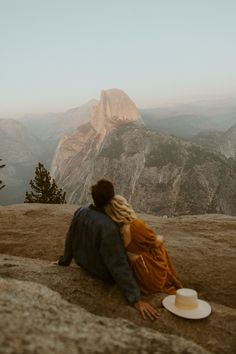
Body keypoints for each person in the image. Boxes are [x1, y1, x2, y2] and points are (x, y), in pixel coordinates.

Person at [57, 179, 159, 320]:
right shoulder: (108, 227)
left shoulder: (80, 211)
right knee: (139, 255)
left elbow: (70, 238)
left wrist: (64, 261)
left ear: (93, 197)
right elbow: (118, 264)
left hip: (82, 262)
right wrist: (135, 299)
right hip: (102, 273)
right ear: (111, 198)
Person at [104, 195, 183, 295]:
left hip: (136, 272)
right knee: (159, 248)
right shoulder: (135, 225)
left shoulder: (117, 229)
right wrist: (161, 237)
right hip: (146, 273)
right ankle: (168, 279)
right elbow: (155, 241)